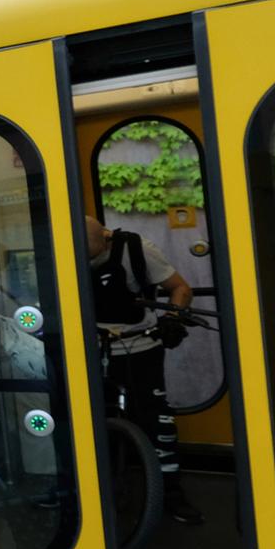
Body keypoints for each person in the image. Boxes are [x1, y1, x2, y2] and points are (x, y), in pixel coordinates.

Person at [86, 217, 202, 525]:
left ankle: (171, 494)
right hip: (89, 351)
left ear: (105, 238)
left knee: (155, 419)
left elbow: (179, 288)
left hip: (139, 346)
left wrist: (174, 319)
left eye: (91, 250)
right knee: (89, 419)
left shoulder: (138, 251)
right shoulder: (65, 253)